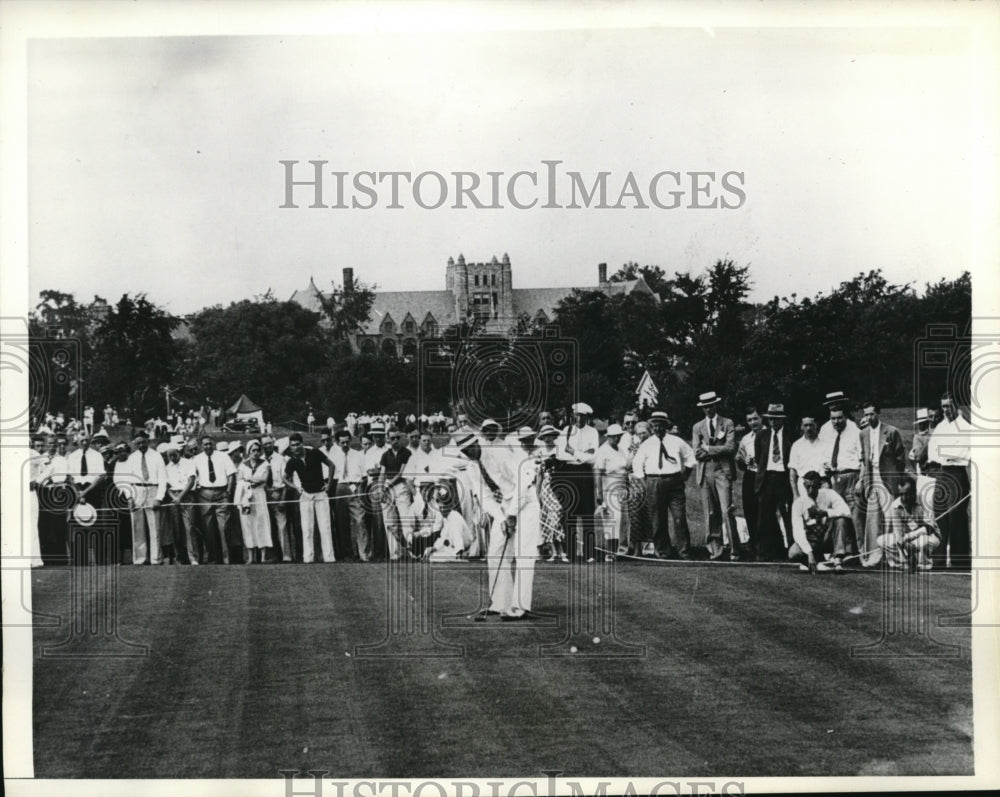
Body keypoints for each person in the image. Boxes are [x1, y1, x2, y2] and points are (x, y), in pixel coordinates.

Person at [460, 429, 542, 620]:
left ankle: (520, 607)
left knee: (523, 554)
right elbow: (485, 497)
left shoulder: (500, 453)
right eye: (464, 450)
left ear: (476, 443)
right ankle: (500, 602)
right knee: (495, 553)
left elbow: (523, 481)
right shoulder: (472, 467)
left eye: (470, 448)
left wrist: (513, 514)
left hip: (526, 501)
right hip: (505, 506)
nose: (468, 453)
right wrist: (502, 517)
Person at [631, 410, 696, 560]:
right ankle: (663, 551)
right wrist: (644, 482)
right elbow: (637, 464)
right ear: (652, 426)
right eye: (655, 425)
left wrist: (685, 476)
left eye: (661, 425)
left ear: (666, 426)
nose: (658, 429)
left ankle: (684, 551)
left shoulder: (677, 441)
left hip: (674, 482)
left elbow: (690, 458)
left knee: (679, 517)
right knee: (658, 519)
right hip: (654, 482)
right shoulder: (647, 444)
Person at [691, 391, 741, 561]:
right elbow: (697, 453)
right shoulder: (698, 427)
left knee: (726, 510)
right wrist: (709, 452)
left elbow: (730, 448)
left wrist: (709, 449)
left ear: (716, 405)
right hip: (706, 470)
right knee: (711, 512)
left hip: (722, 470)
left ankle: (735, 549)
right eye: (705, 407)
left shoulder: (727, 423)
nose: (708, 409)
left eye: (710, 406)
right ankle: (715, 549)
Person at [856, 401, 906, 567]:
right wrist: (864, 481)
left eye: (871, 414)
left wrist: (896, 479)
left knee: (891, 518)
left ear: (878, 413)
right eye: (866, 414)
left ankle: (895, 558)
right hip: (872, 479)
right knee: (873, 519)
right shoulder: (863, 434)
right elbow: (864, 459)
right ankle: (874, 557)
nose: (869, 417)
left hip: (888, 479)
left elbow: (900, 459)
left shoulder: (892, 432)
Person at [925, 392, 971, 570]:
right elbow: (933, 453)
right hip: (942, 473)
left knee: (956, 518)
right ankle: (939, 560)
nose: (945, 410)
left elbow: (960, 453)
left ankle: (960, 561)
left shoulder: (965, 426)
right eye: (943, 406)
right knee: (940, 516)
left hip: (957, 474)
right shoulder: (941, 426)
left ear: (956, 406)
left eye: (948, 406)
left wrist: (948, 454)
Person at [555, 402, 600, 562]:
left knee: (587, 512)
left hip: (585, 474)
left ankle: (589, 553)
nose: (579, 419)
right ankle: (570, 553)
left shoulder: (593, 432)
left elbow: (593, 457)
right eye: (577, 415)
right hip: (568, 473)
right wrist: (582, 455)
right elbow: (560, 455)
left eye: (582, 416)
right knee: (569, 512)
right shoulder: (566, 431)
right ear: (573, 415)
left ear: (587, 417)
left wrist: (574, 452)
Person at [283, 432, 336, 563]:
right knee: (307, 528)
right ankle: (308, 558)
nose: (296, 447)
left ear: (302, 443)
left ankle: (329, 557)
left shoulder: (315, 453)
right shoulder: (292, 461)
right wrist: (296, 487)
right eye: (293, 445)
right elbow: (284, 478)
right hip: (305, 495)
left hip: (320, 494)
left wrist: (328, 484)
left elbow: (331, 465)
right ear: (290, 447)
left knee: (325, 527)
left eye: (298, 444)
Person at [788, 470, 852, 573]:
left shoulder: (829, 493)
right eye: (807, 486)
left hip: (828, 536)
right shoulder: (799, 503)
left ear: (820, 485)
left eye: (814, 486)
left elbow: (847, 512)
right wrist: (809, 552)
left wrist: (826, 512)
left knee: (841, 520)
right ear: (804, 485)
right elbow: (798, 531)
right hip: (811, 538)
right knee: (793, 553)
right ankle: (817, 562)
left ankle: (838, 561)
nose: (810, 490)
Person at [118, 430, 167, 565]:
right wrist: (129, 497)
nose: (141, 445)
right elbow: (127, 479)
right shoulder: (132, 458)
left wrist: (159, 497)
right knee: (137, 528)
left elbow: (163, 478)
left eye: (143, 442)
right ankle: (140, 559)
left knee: (155, 527)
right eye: (138, 443)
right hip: (137, 491)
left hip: (152, 489)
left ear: (148, 441)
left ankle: (156, 559)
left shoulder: (156, 456)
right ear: (134, 444)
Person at [753, 403, 793, 561]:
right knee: (764, 516)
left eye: (776, 419)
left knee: (787, 514)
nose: (773, 422)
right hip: (767, 478)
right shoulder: (762, 436)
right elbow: (758, 458)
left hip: (784, 478)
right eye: (770, 419)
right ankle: (764, 552)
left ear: (782, 420)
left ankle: (792, 550)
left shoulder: (790, 435)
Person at [878, 475, 940, 571]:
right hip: (907, 540)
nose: (904, 498)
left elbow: (929, 528)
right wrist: (904, 546)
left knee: (923, 541)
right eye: (901, 494)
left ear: (914, 492)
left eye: (907, 494)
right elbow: (898, 534)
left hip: (929, 536)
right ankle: (902, 563)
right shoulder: (895, 506)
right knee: (882, 540)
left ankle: (924, 564)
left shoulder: (925, 500)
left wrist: (907, 538)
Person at [191, 435, 237, 564]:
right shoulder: (196, 459)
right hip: (204, 494)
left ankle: (227, 558)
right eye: (205, 444)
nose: (208, 446)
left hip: (222, 493)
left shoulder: (223, 456)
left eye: (210, 444)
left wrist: (228, 492)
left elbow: (231, 475)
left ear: (214, 444)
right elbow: (192, 478)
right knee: (208, 528)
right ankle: (213, 558)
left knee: (224, 527)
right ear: (201, 446)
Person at [329, 429, 370, 562]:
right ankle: (347, 554)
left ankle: (363, 553)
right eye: (342, 443)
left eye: (347, 442)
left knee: (360, 521)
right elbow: (332, 477)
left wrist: (361, 491)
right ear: (337, 442)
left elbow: (364, 476)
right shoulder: (334, 456)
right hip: (340, 488)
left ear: (350, 441)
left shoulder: (359, 455)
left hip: (355, 486)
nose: (345, 445)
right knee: (342, 523)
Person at [594, 423, 629, 561]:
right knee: (612, 520)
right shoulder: (603, 451)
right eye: (613, 437)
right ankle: (610, 552)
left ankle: (617, 550)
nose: (616, 439)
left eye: (618, 436)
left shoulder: (620, 449)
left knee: (622, 521)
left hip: (621, 489)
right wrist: (599, 493)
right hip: (608, 488)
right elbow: (598, 473)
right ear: (608, 437)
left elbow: (624, 470)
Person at [378, 427, 413, 561]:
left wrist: (387, 485)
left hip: (401, 487)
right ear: (388, 439)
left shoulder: (406, 453)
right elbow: (382, 473)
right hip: (387, 489)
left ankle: (412, 552)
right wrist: (381, 488)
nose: (395, 441)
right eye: (392, 438)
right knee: (390, 523)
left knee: (406, 521)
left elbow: (401, 473)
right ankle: (395, 554)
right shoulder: (385, 455)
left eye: (398, 438)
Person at [236, 440, 273, 564]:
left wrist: (250, 479)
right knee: (247, 524)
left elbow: (264, 479)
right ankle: (251, 557)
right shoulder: (243, 465)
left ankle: (263, 557)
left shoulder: (265, 464)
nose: (256, 453)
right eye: (253, 450)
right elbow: (239, 480)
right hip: (246, 496)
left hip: (259, 495)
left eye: (258, 450)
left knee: (262, 523)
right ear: (249, 451)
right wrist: (250, 481)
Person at [534, 424, 567, 562]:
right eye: (545, 436)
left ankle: (562, 551)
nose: (548, 439)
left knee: (558, 515)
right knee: (549, 518)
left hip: (558, 486)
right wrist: (538, 495)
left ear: (554, 437)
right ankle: (555, 552)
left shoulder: (559, 451)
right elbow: (539, 476)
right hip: (546, 488)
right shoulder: (540, 453)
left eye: (550, 436)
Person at [163, 442, 198, 564]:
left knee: (189, 527)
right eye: (169, 456)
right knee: (176, 529)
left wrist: (181, 497)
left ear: (179, 453)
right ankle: (180, 557)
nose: (172, 458)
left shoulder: (188, 463)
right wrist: (174, 497)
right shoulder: (167, 468)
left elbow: (191, 480)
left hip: (187, 496)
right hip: (173, 497)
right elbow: (166, 485)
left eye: (174, 455)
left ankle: (193, 557)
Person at [735, 406, 763, 559]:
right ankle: (754, 545)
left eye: (755, 419)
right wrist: (743, 461)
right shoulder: (746, 439)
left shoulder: (768, 435)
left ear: (761, 419)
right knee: (750, 510)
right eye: (749, 420)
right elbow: (739, 462)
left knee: (763, 512)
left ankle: (765, 545)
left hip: (765, 476)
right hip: (750, 475)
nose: (753, 422)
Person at [262, 435, 293, 562]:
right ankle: (271, 556)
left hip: (277, 493)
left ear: (273, 443)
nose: (267, 446)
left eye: (269, 443)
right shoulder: (259, 459)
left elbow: (286, 480)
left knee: (282, 525)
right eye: (265, 444)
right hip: (263, 495)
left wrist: (283, 499)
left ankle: (286, 555)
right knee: (266, 526)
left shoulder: (280, 459)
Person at [363, 424, 390, 561]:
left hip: (390, 484)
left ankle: (391, 551)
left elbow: (393, 469)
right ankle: (379, 552)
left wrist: (380, 469)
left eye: (381, 436)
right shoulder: (370, 452)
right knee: (378, 520)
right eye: (376, 436)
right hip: (375, 486)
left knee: (390, 518)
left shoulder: (390, 449)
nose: (378, 439)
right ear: (373, 437)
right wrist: (384, 470)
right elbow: (370, 472)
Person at [788, 415, 827, 500]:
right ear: (801, 426)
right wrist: (795, 494)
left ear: (816, 425)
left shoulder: (825, 443)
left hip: (822, 483)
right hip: (804, 485)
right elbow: (792, 471)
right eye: (805, 425)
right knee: (806, 510)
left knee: (822, 510)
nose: (808, 428)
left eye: (811, 425)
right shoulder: (796, 445)